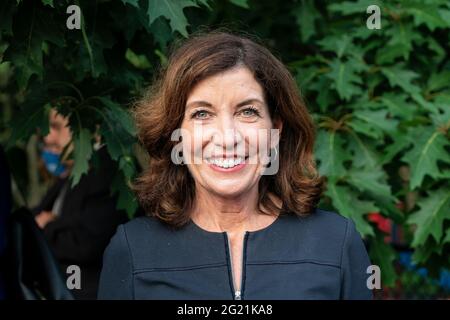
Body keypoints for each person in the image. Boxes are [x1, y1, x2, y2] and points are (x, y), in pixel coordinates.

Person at [98, 31, 373, 300]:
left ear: (275, 129)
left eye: (247, 112)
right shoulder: (134, 250)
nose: (227, 138)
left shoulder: (335, 243)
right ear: (176, 133)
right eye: (202, 114)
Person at [33, 109, 128, 300]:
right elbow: (34, 218)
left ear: (87, 128)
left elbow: (87, 243)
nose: (49, 137)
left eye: (57, 127)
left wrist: (47, 226)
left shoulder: (105, 171)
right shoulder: (75, 174)